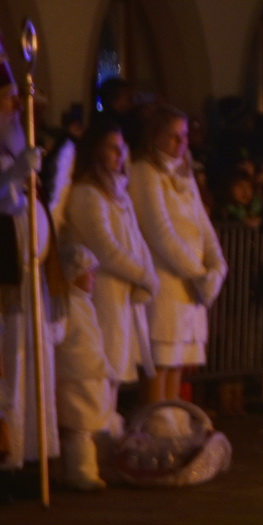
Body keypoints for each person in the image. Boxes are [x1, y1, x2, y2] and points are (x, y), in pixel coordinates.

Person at [130, 103, 227, 405]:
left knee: (178, 364)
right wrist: (198, 273)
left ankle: (172, 423)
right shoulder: (144, 172)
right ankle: (155, 427)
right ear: (154, 136)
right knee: (160, 362)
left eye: (184, 136)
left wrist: (217, 266)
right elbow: (160, 233)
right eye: (174, 136)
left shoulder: (184, 174)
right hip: (165, 283)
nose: (181, 143)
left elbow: (203, 225)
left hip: (189, 289)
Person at [62, 116, 156, 423]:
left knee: (114, 368)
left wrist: (147, 274)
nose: (120, 155)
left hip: (120, 297)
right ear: (95, 151)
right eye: (112, 149)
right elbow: (106, 248)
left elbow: (136, 240)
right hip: (99, 294)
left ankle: (106, 433)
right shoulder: (87, 194)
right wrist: (142, 274)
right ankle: (94, 438)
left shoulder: (119, 194)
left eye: (121, 148)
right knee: (100, 370)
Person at [0, 65, 57, 491]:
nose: (16, 107)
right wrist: (12, 177)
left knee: (24, 364)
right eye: (8, 98)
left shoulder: (13, 146)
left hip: (23, 274)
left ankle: (23, 454)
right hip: (4, 275)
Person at [55, 244, 117, 491]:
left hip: (90, 374)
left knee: (87, 426)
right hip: (76, 376)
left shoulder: (83, 303)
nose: (92, 278)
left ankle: (72, 470)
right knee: (79, 429)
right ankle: (82, 473)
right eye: (87, 272)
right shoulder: (66, 304)